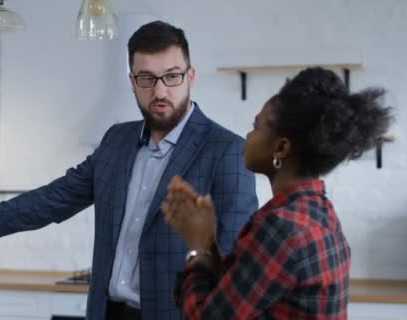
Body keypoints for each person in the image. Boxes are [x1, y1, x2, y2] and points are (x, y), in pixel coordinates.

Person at [0, 20, 258, 320]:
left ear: (190, 77)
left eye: (172, 76)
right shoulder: (117, 140)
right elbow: (53, 198)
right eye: (146, 78)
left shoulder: (226, 151)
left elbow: (236, 266)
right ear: (132, 82)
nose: (160, 92)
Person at [162, 67, 393, 319]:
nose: (248, 135)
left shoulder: (282, 229)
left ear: (281, 148)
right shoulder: (320, 214)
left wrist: (197, 248)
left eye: (256, 126)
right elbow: (235, 297)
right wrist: (209, 244)